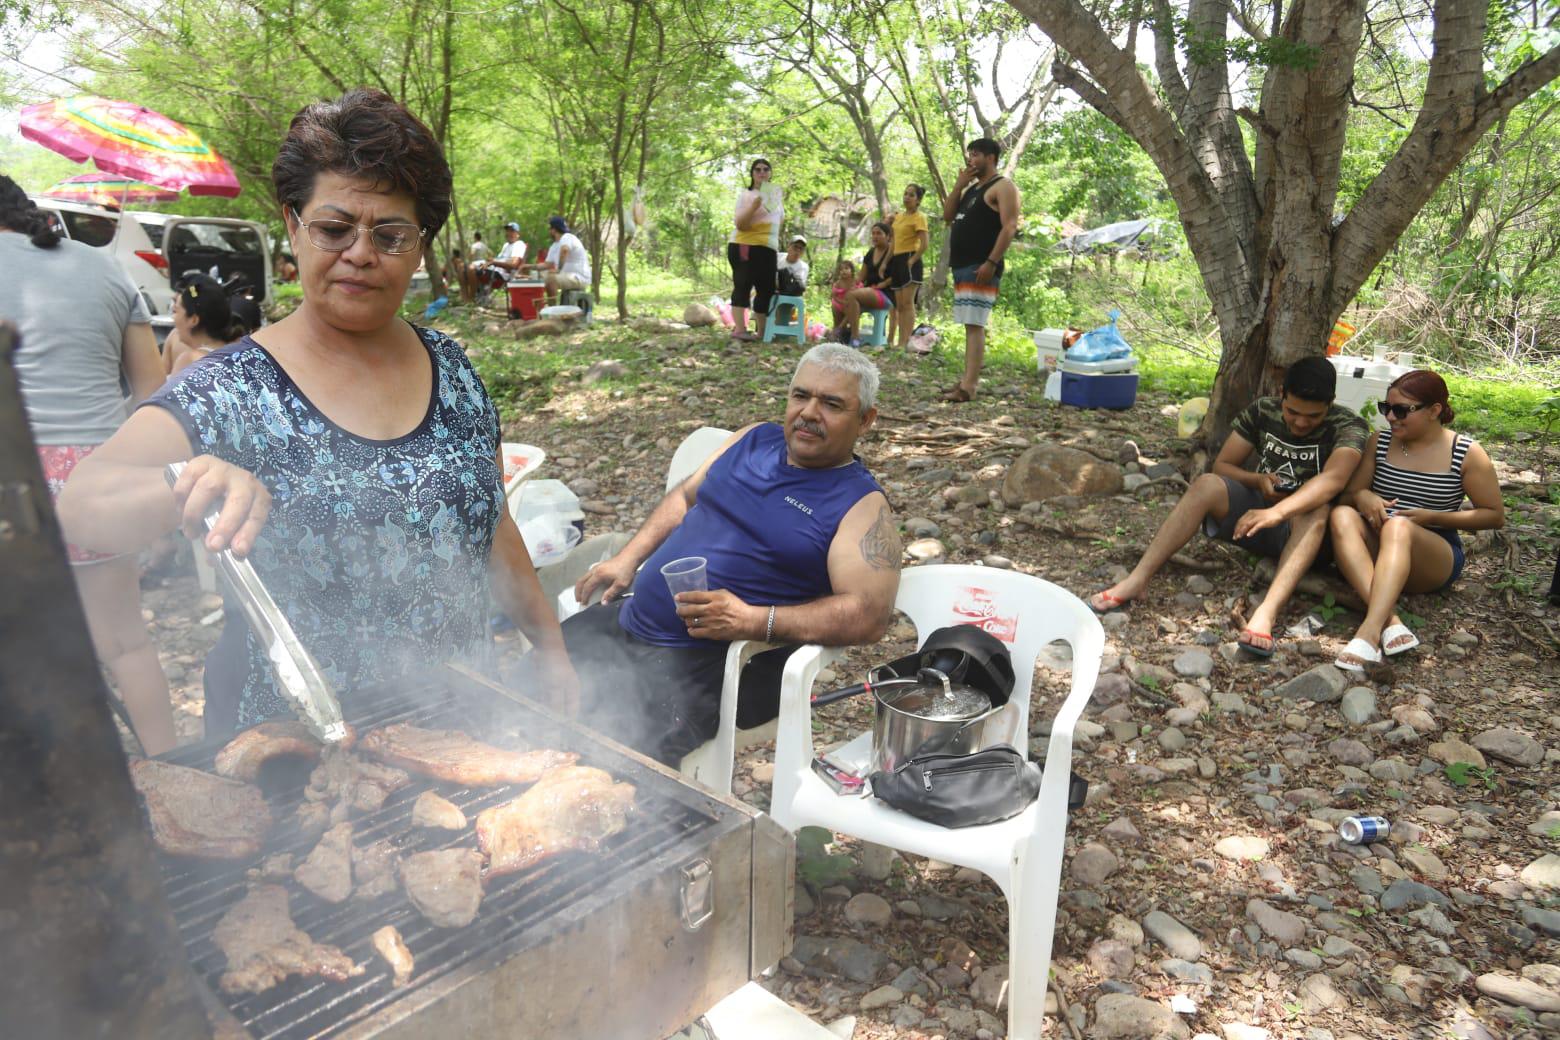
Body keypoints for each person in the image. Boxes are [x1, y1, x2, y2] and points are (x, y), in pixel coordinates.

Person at [58, 88, 577, 737]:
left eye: (389, 234)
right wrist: (186, 483)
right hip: (296, 753)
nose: (360, 253)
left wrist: (551, 650)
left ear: (420, 248)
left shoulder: (455, 371)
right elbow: (81, 504)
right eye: (334, 229)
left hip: (458, 734)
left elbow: (494, 526)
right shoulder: (232, 389)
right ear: (293, 227)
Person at [562, 345, 901, 764]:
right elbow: (686, 497)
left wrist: (754, 620)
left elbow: (869, 615)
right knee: (523, 691)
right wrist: (628, 557)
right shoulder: (754, 440)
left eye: (832, 404)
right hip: (626, 620)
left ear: (865, 419)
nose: (810, 413)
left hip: (704, 666)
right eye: (801, 396)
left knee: (604, 763)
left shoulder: (860, 505)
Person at [0, 175, 177, 754]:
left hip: (12, 480)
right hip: (96, 476)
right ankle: (172, 768)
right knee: (126, 642)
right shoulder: (105, 268)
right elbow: (152, 392)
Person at [1089, 357, 1369, 657]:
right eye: (1293, 412)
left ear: (1331, 404)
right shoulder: (1263, 410)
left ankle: (1267, 611)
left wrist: (1279, 511)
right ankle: (1138, 578)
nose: (1301, 422)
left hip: (1309, 534)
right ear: (1282, 393)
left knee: (1318, 509)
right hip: (1256, 519)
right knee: (1207, 483)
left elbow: (1334, 481)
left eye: (1313, 416)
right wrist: (1257, 480)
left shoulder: (1348, 425)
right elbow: (1223, 465)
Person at [1329, 371, 1504, 671]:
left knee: (1399, 526)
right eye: (1387, 408)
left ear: (1434, 410)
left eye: (1401, 410)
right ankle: (1389, 621)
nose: (1391, 418)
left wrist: (1433, 516)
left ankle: (1369, 633)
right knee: (1341, 515)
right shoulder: (1380, 442)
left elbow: (1494, 515)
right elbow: (1348, 495)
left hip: (1433, 553)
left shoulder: (1465, 452)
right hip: (1380, 544)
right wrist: (1362, 497)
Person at [941, 138, 1020, 402]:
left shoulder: (1003, 186)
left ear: (991, 158)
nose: (970, 159)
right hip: (962, 264)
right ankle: (965, 381)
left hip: (981, 265)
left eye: (975, 154)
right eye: (969, 154)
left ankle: (969, 387)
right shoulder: (972, 189)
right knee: (969, 324)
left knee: (975, 324)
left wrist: (992, 262)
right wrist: (959, 185)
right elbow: (948, 216)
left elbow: (1009, 227)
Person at [728, 158, 782, 342]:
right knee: (743, 285)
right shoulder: (746, 195)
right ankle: (740, 329)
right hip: (745, 246)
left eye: (766, 169)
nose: (762, 172)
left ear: (770, 172)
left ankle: (762, 332)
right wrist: (754, 206)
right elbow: (740, 224)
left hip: (768, 248)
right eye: (757, 169)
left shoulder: (776, 196)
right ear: (752, 174)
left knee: (766, 289)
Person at [162, 273, 256, 376]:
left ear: (193, 320)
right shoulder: (238, 353)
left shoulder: (189, 359)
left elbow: (160, 390)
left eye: (175, 311)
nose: (173, 318)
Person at [837, 222, 895, 348]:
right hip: (870, 292)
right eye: (873, 233)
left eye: (879, 233)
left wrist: (883, 283)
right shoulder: (870, 253)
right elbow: (861, 277)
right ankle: (842, 331)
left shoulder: (892, 252)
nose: (875, 236)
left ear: (888, 236)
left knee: (852, 296)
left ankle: (855, 337)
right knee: (847, 295)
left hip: (886, 294)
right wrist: (849, 284)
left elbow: (898, 275)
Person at [888, 184, 929, 350]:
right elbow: (893, 242)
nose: (907, 197)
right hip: (896, 260)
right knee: (899, 305)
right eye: (905, 194)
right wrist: (885, 263)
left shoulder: (919, 217)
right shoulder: (898, 217)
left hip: (910, 259)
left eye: (911, 195)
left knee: (907, 303)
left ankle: (906, 341)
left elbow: (925, 244)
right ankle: (900, 341)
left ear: (918, 200)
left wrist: (913, 260)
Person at [524, 216, 591, 306]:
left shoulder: (567, 237)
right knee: (537, 276)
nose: (549, 231)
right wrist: (529, 267)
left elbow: (564, 251)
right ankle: (533, 306)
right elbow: (547, 264)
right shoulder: (555, 245)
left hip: (579, 277)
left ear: (554, 230)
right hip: (567, 277)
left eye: (550, 229)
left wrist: (558, 270)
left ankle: (553, 309)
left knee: (551, 279)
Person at [464, 221, 526, 301]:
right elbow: (501, 259)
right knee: (462, 268)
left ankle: (471, 300)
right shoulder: (506, 245)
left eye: (512, 231)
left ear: (518, 234)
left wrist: (493, 262)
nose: (509, 233)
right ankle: (466, 299)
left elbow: (513, 264)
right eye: (507, 231)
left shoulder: (519, 244)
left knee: (471, 269)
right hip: (494, 268)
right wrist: (492, 260)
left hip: (502, 274)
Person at [829, 259, 858, 341]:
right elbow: (834, 296)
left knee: (850, 310)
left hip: (850, 304)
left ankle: (840, 328)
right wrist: (842, 302)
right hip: (839, 303)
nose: (843, 271)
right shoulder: (838, 283)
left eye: (846, 268)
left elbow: (860, 291)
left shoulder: (855, 281)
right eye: (841, 269)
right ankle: (836, 333)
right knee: (836, 318)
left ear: (852, 271)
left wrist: (847, 303)